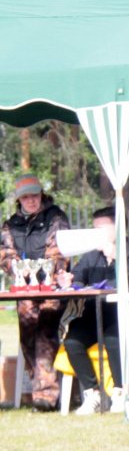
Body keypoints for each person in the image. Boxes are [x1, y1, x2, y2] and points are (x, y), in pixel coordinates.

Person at [55, 206, 129, 415]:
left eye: (101, 228)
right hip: (95, 314)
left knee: (113, 340)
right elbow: (78, 276)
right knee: (72, 341)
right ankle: (92, 393)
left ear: (118, 228)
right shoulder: (91, 256)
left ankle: (120, 392)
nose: (96, 232)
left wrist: (115, 257)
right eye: (94, 227)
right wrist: (68, 280)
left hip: (124, 314)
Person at [0, 173, 70, 411]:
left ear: (42, 194)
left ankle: (47, 395)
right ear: (19, 199)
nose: (31, 200)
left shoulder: (56, 218)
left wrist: (43, 275)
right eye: (26, 197)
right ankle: (41, 386)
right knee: (27, 328)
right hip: (25, 291)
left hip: (52, 288)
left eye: (35, 195)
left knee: (46, 329)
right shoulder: (10, 225)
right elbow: (6, 254)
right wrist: (21, 270)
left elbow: (59, 251)